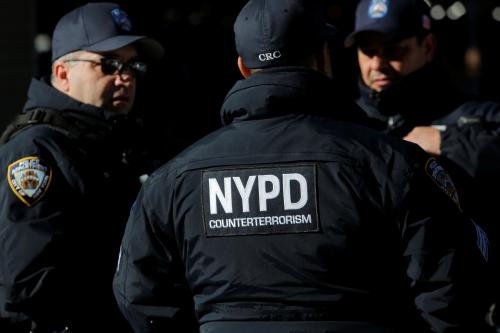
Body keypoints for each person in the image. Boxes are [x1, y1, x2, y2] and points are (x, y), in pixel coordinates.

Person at [113, 0, 489, 332]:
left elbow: (139, 295)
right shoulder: (393, 163)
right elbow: (452, 292)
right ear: (324, 57)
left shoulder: (173, 180)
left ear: (243, 67)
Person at [0, 2, 163, 332]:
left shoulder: (111, 143)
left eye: (133, 66)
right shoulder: (37, 149)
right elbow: (28, 285)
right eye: (110, 63)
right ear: (62, 73)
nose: (125, 77)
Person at [345, 0, 500, 323]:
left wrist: (448, 143)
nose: (378, 63)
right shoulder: (343, 124)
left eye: (392, 49)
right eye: (367, 50)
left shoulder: (470, 116)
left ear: (427, 46)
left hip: (463, 308)